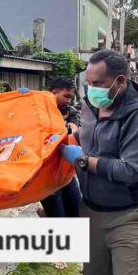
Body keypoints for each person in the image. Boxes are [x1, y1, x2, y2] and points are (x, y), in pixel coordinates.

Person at [61, 49, 138, 275]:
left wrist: (84, 161)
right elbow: (87, 136)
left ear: (120, 82)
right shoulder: (90, 106)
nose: (92, 90)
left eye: (98, 84)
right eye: (88, 84)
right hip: (92, 213)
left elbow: (132, 170)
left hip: (131, 217)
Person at [38, 77, 81, 218]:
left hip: (65, 172)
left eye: (71, 97)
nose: (69, 100)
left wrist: (68, 130)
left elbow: (74, 128)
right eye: (66, 96)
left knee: (77, 211)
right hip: (45, 175)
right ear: (53, 93)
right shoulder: (38, 111)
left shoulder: (70, 111)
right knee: (57, 216)